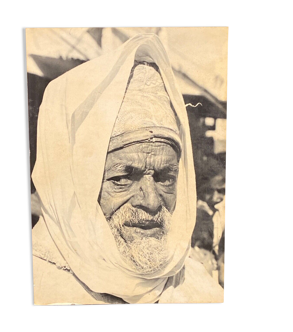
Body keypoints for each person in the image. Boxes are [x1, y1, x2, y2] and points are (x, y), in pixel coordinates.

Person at [30, 33, 224, 305]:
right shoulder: (42, 286)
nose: (152, 201)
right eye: (123, 178)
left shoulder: (197, 287)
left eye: (165, 178)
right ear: (74, 184)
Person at [191, 155, 227, 285]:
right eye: (219, 191)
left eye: (224, 192)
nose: (221, 197)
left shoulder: (216, 213)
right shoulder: (195, 212)